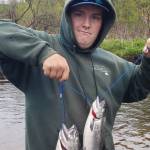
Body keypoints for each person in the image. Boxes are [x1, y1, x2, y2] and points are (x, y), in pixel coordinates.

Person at [0, 0, 149, 150]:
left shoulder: (115, 64)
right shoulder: (44, 43)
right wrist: (42, 53)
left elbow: (140, 86)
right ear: (68, 17)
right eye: (79, 14)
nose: (86, 24)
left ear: (104, 23)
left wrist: (148, 59)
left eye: (95, 17)